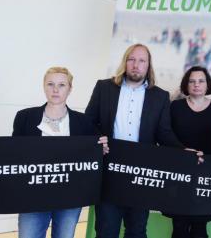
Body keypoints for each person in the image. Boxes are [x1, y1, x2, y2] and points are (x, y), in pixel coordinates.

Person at [85, 43, 201, 238]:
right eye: (131, 59)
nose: (136, 65)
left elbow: (164, 134)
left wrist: (183, 153)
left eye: (141, 61)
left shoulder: (160, 96)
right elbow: (88, 122)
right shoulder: (104, 87)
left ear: (148, 66)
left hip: (142, 175)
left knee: (137, 231)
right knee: (106, 231)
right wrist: (99, 141)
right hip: (108, 172)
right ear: (125, 62)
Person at [0, 67, 108, 238]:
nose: (55, 90)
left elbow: (93, 154)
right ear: (44, 86)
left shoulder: (83, 122)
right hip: (33, 198)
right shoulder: (25, 117)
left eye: (62, 85)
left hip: (70, 198)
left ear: (70, 88)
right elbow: (14, 153)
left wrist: (102, 148)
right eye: (50, 84)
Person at [166, 66, 211, 238]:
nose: (196, 85)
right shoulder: (175, 107)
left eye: (201, 81)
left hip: (206, 176)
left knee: (200, 229)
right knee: (179, 227)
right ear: (186, 85)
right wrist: (184, 152)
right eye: (192, 81)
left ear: (208, 84)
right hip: (180, 174)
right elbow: (166, 136)